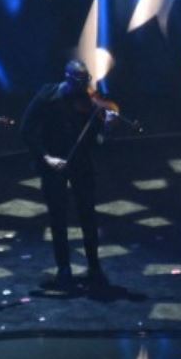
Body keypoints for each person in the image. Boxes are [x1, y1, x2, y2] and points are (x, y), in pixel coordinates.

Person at [20, 60, 113, 290]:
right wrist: (46, 157)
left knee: (88, 216)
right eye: (79, 81)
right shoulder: (47, 96)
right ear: (68, 78)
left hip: (81, 164)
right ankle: (64, 268)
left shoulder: (89, 105)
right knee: (58, 218)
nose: (84, 87)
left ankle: (94, 266)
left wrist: (106, 127)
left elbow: (96, 142)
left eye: (86, 81)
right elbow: (26, 130)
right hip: (54, 165)